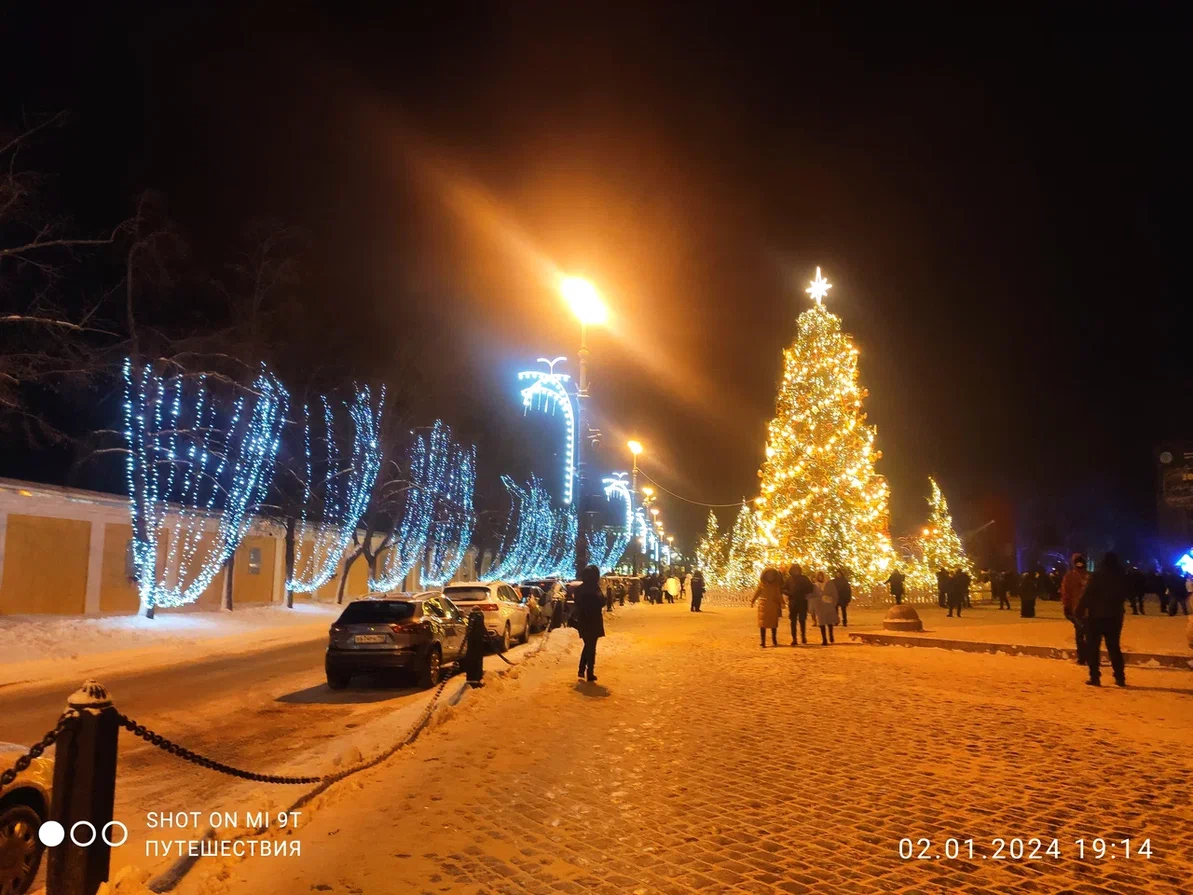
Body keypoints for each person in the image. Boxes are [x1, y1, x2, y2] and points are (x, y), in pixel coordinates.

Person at [1075, 551, 1129, 687]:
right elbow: (1127, 593)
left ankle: (1095, 676)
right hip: (1115, 617)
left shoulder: (1097, 576)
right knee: (1114, 647)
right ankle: (1120, 677)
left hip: (1096, 617)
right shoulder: (1121, 577)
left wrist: (1079, 610)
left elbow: (1087, 594)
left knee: (1093, 647)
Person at [570, 565, 606, 682]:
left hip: (584, 620)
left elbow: (577, 604)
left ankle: (582, 669)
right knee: (591, 646)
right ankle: (589, 671)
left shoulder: (580, 589)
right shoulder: (595, 588)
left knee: (588, 645)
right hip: (594, 620)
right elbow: (602, 602)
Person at [1060, 553, 1090, 664]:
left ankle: (1082, 657)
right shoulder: (1090, 576)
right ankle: (1091, 656)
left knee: (1080, 634)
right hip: (1090, 610)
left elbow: (1065, 594)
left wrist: (1066, 607)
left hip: (1077, 610)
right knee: (1090, 635)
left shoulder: (1070, 577)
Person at [750, 567, 783, 647]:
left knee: (773, 624)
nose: (770, 577)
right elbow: (757, 593)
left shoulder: (776, 585)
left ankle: (774, 640)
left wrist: (782, 602)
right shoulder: (762, 585)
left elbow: (778, 595)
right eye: (768, 575)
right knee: (763, 624)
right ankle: (763, 641)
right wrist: (753, 600)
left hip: (773, 606)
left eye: (771, 575)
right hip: (763, 606)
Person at [784, 563, 813, 644]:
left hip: (802, 601)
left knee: (802, 620)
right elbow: (783, 588)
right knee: (793, 621)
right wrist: (789, 593)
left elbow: (811, 588)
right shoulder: (789, 579)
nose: (795, 571)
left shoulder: (804, 578)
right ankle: (794, 638)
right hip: (793, 602)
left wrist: (804, 592)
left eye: (797, 570)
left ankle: (803, 636)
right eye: (794, 570)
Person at [812, 571, 839, 644]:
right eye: (819, 576)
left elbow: (834, 594)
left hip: (828, 605)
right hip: (820, 606)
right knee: (821, 622)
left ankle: (831, 635)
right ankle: (824, 639)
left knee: (829, 621)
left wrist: (831, 601)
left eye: (822, 576)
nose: (820, 577)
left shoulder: (829, 584)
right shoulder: (815, 586)